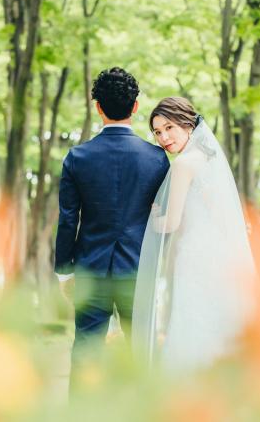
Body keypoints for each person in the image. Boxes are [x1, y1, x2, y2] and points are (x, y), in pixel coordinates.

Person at [54, 67, 170, 400]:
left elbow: (67, 220)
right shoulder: (157, 159)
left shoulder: (77, 157)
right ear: (135, 108)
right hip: (140, 270)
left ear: (97, 107)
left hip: (91, 270)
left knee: (87, 353)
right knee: (143, 355)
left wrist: (64, 273)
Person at [131, 96, 259, 373]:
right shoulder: (210, 161)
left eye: (169, 128)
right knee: (217, 328)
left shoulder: (183, 164)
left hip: (195, 261)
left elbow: (171, 223)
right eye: (157, 132)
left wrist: (153, 216)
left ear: (188, 124)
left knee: (192, 327)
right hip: (221, 260)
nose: (163, 137)